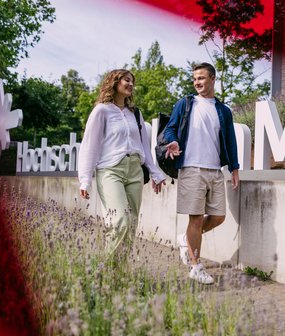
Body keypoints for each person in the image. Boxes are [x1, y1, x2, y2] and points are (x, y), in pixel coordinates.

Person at [163, 62, 240, 284]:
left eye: (202, 78)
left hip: (215, 170)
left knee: (218, 217)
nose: (197, 82)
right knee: (195, 218)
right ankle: (196, 266)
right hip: (192, 168)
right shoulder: (186, 104)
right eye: (195, 78)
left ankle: (185, 239)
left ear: (213, 79)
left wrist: (234, 167)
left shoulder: (223, 111)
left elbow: (230, 140)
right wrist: (173, 140)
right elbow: (170, 128)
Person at [78, 69, 166, 260]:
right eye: (126, 80)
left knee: (131, 224)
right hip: (111, 170)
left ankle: (119, 276)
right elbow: (89, 145)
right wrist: (85, 180)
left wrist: (155, 173)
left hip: (135, 171)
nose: (130, 84)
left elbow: (144, 145)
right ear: (115, 82)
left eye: (132, 82)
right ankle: (105, 272)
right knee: (119, 222)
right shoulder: (101, 110)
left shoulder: (135, 114)